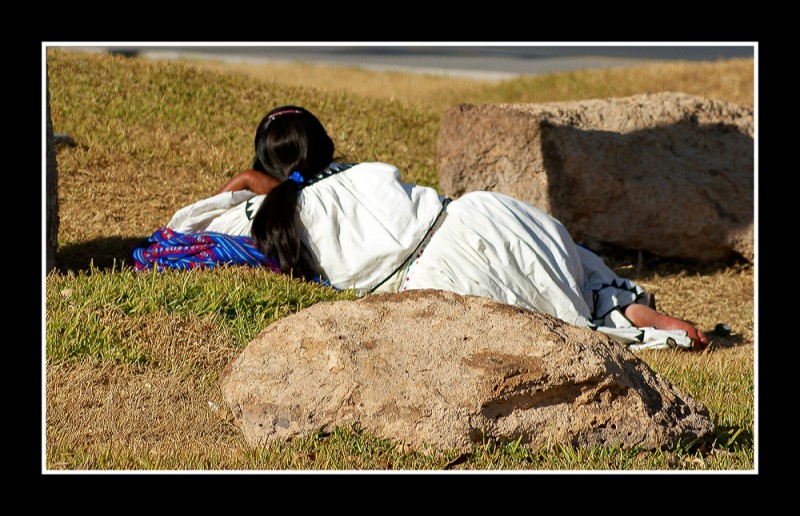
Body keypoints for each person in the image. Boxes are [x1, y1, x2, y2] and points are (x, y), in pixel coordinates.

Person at [167, 106, 708, 351]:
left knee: (566, 338)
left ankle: (632, 328)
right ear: (324, 148)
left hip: (453, 269)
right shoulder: (367, 173)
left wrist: (241, 184)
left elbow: (181, 234)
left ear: (266, 168)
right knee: (584, 285)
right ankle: (636, 309)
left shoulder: (276, 213)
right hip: (493, 215)